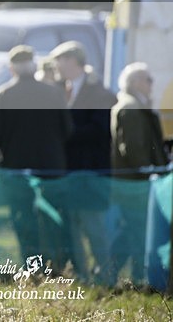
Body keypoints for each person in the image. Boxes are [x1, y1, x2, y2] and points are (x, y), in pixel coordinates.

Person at [0, 45, 72, 271]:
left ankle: (33, 268)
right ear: (33, 65)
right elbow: (67, 130)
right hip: (51, 169)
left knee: (24, 222)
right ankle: (58, 267)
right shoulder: (53, 93)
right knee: (53, 220)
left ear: (12, 68)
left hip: (17, 172)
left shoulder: (3, 95)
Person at [50, 40, 117, 284]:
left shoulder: (99, 93)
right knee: (73, 230)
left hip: (91, 174)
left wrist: (65, 133)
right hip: (69, 173)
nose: (57, 66)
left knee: (95, 229)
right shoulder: (62, 91)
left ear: (73, 62)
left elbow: (100, 130)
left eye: (61, 60)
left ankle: (107, 277)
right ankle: (82, 276)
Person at [110, 62, 169, 283]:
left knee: (129, 231)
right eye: (148, 79)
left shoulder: (134, 104)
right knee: (137, 231)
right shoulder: (131, 107)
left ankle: (107, 272)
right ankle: (138, 278)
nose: (151, 84)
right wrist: (150, 173)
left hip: (134, 183)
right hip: (135, 184)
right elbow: (134, 148)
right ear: (135, 82)